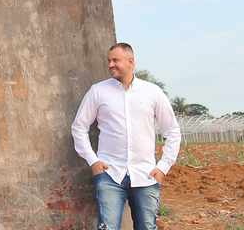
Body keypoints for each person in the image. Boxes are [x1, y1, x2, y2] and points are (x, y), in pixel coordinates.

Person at [71, 43, 181, 230]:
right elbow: (79, 127)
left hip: (145, 174)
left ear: (130, 62)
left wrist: (163, 166)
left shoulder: (152, 92)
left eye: (116, 60)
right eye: (109, 61)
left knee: (146, 227)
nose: (111, 65)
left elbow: (172, 131)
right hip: (110, 173)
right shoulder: (98, 91)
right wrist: (93, 160)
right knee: (108, 227)